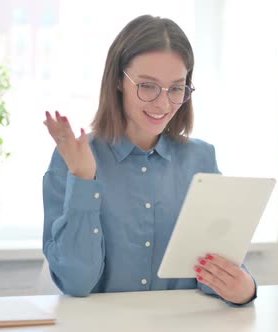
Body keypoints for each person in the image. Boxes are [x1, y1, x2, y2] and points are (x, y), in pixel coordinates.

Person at [42, 15, 256, 306]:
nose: (163, 103)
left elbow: (212, 271)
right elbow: (77, 283)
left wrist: (245, 289)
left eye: (176, 88)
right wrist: (83, 178)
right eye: (148, 86)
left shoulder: (202, 159)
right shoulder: (75, 158)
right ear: (118, 80)